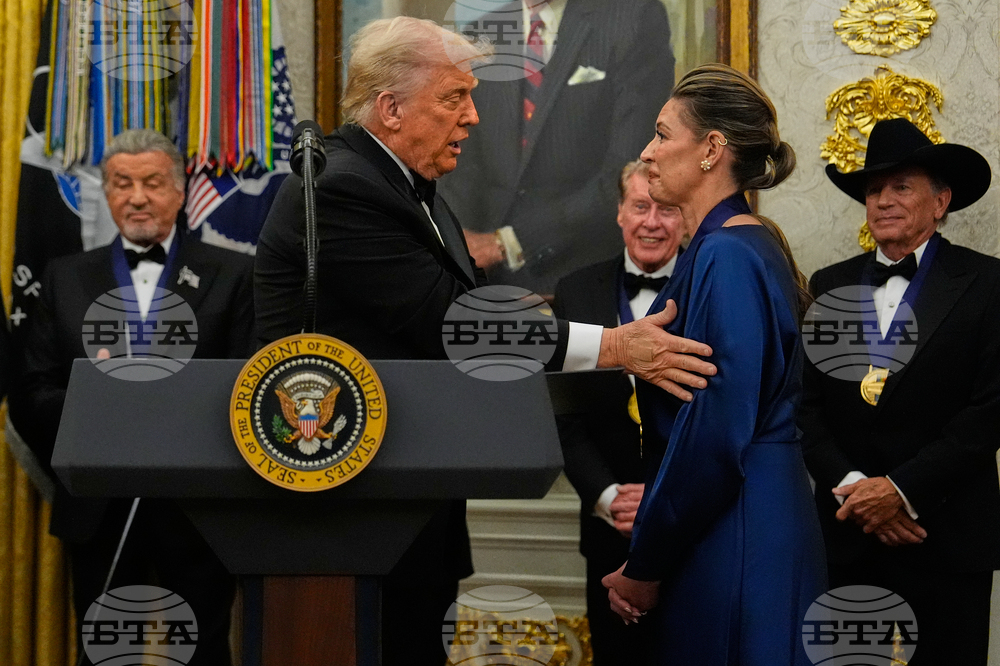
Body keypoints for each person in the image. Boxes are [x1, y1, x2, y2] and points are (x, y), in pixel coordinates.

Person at [255, 17, 716, 665]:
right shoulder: (342, 188)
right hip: (348, 510)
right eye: (454, 98)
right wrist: (615, 347)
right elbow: (455, 324)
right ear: (390, 108)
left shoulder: (412, 187)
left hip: (411, 497)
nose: (473, 116)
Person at [601, 64, 827, 665]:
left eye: (662, 134)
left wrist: (645, 566)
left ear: (711, 149)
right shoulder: (731, 244)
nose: (647, 152)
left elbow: (715, 434)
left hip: (738, 526)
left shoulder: (727, 251)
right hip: (739, 516)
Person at [10, 129, 254, 666]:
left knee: (204, 651)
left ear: (180, 190)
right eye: (122, 184)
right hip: (97, 503)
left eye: (152, 183)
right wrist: (101, 414)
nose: (137, 197)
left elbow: (246, 389)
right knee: (105, 652)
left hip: (198, 506)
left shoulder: (234, 274)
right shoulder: (65, 277)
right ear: (107, 192)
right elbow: (30, 393)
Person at [799, 117, 1000, 665]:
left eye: (901, 186)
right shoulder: (829, 285)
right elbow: (805, 407)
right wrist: (859, 492)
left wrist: (900, 490)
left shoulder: (988, 284)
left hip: (944, 535)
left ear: (941, 202)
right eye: (873, 190)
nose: (884, 200)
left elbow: (989, 413)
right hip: (848, 536)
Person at [439, 0, 675, 294]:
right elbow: (462, 159)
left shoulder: (633, 18)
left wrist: (508, 243)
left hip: (582, 274)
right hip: (483, 276)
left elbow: (628, 171)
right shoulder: (482, 30)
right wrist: (459, 243)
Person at [553, 159, 683, 664]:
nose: (652, 222)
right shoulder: (575, 290)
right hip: (609, 529)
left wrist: (666, 497)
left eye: (666, 209)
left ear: (684, 216)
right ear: (620, 213)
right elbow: (564, 417)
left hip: (689, 524)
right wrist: (609, 498)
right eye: (640, 207)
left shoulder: (709, 285)